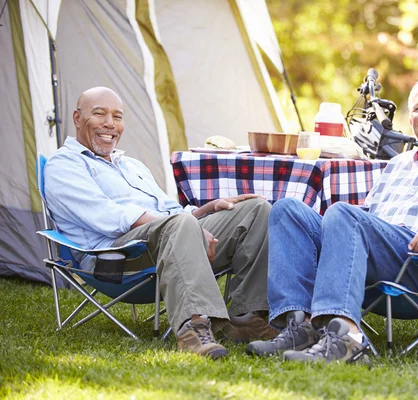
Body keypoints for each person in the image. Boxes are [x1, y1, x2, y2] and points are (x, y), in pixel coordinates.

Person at [246, 77, 418, 363]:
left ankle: (346, 339)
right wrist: (335, 224)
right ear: (411, 119)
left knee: (342, 212)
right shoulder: (399, 164)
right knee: (288, 209)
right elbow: (368, 217)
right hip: (374, 259)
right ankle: (299, 327)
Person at [44, 87, 278, 359]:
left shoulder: (130, 165)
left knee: (256, 209)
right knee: (179, 224)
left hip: (169, 238)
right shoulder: (63, 165)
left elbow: (169, 209)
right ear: (76, 118)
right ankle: (194, 327)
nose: (110, 124)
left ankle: (246, 317)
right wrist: (182, 223)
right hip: (116, 257)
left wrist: (207, 209)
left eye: (117, 117)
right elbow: (108, 216)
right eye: (100, 114)